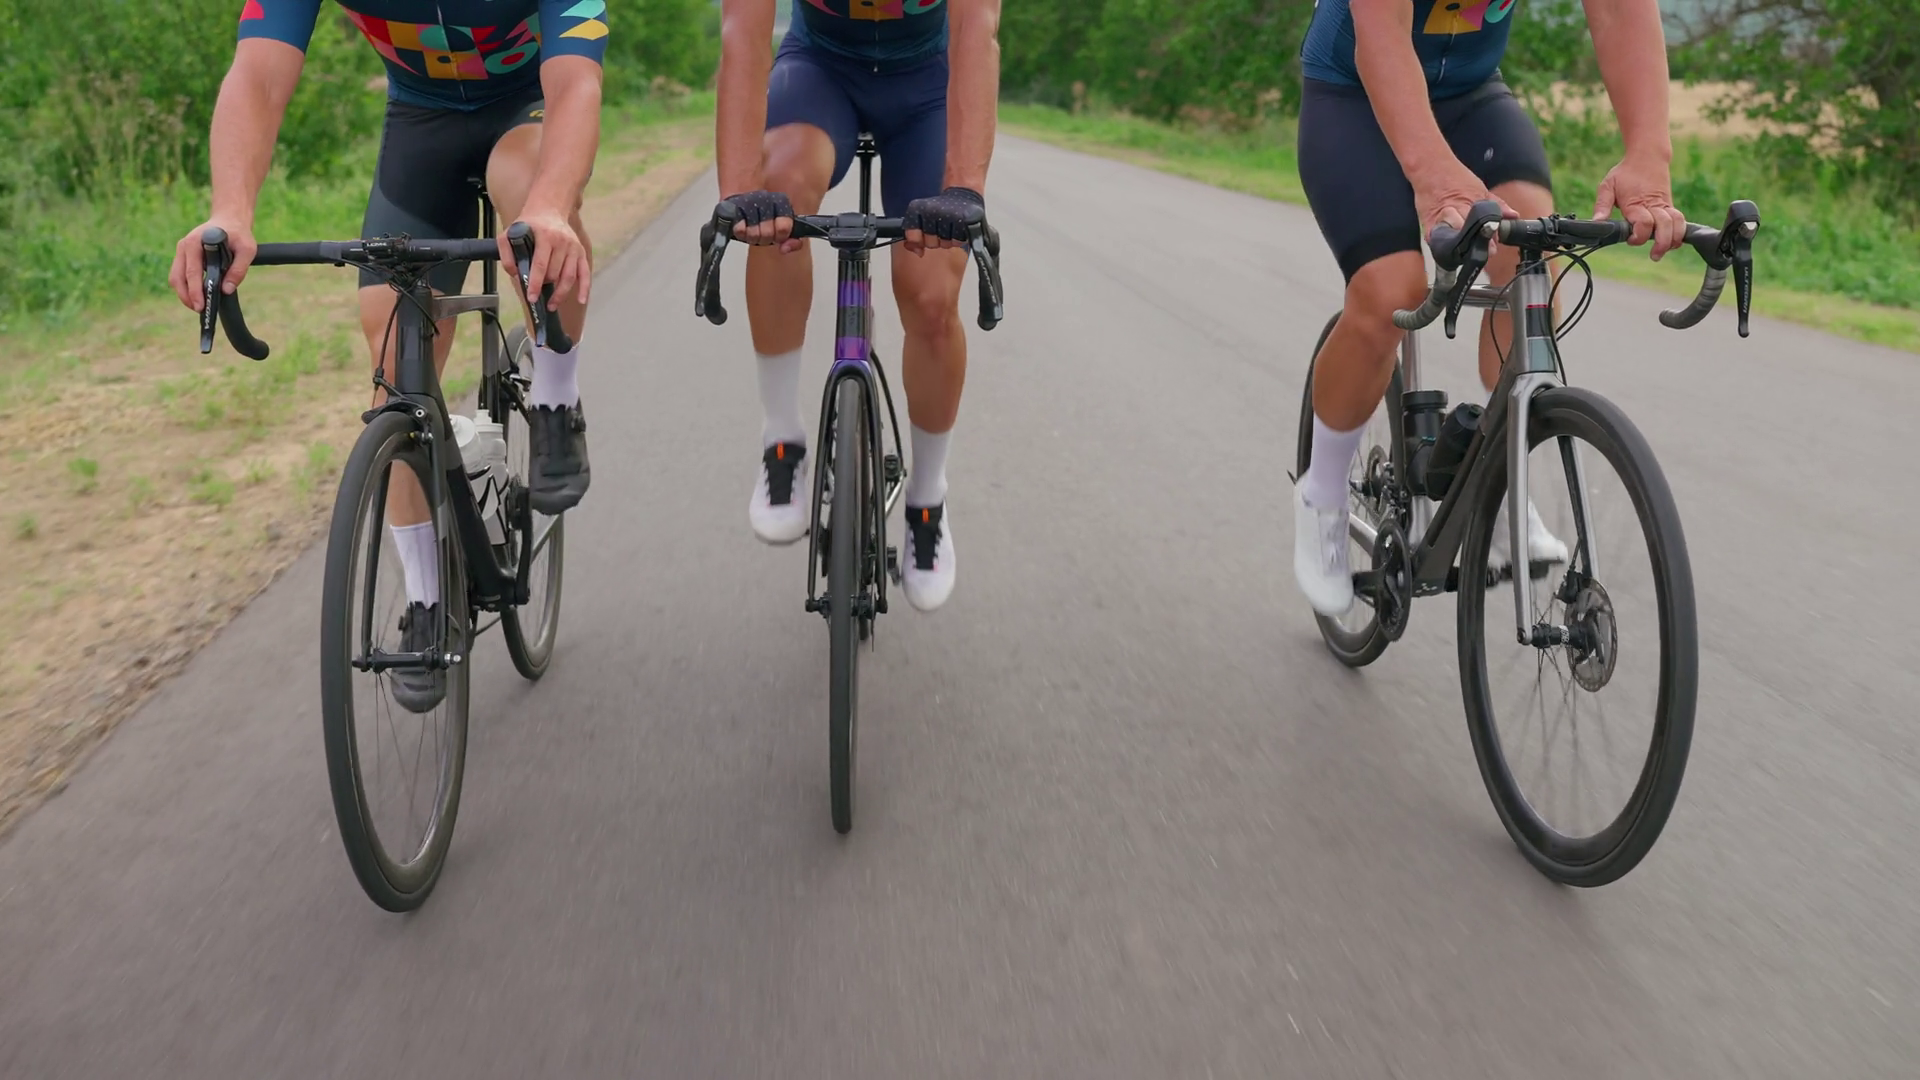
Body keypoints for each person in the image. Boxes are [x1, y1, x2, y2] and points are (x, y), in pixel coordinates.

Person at [167, 0, 606, 710]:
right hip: (421, 128)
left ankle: (557, 394)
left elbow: (576, 80)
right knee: (397, 365)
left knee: (528, 197)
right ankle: (429, 598)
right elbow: (258, 77)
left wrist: (553, 204)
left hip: (529, 113)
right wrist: (230, 210)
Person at [1290, 0, 1686, 617]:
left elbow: (1618, 9)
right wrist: (1433, 175)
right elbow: (1381, 34)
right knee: (1391, 292)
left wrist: (1647, 158)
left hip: (1469, 96)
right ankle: (1322, 495)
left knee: (1533, 254)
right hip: (1353, 94)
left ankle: (1496, 475)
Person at [713, 0, 1002, 613]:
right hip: (821, 70)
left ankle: (927, 498)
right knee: (775, 203)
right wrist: (738, 192)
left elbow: (977, 29)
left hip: (928, 85)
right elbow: (743, 33)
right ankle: (782, 440)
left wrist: (964, 188)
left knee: (930, 295)